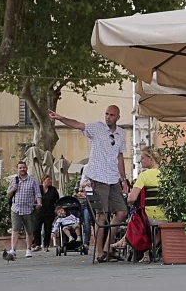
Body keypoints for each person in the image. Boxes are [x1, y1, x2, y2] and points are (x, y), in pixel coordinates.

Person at [50, 105, 128, 263]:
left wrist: (123, 179)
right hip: (98, 176)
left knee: (121, 212)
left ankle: (108, 247)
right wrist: (61, 118)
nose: (108, 117)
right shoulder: (97, 128)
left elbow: (120, 157)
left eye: (112, 115)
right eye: (106, 114)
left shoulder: (121, 133)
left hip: (113, 178)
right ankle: (100, 252)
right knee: (102, 215)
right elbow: (78, 124)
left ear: (118, 117)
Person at [112, 147, 165, 263]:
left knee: (137, 217)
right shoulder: (167, 174)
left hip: (151, 218)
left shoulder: (144, 176)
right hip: (167, 216)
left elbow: (131, 199)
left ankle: (143, 250)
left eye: (142, 158)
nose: (140, 161)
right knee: (140, 217)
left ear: (150, 159)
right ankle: (147, 249)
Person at [6, 161, 42, 259]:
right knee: (15, 229)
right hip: (16, 208)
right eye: (20, 168)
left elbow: (37, 193)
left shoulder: (33, 180)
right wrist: (13, 189)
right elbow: (8, 193)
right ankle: (13, 249)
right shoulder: (14, 180)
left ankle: (28, 249)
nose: (22, 169)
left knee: (29, 230)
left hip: (28, 209)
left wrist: (39, 203)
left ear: (26, 168)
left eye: (24, 167)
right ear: (18, 169)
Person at [33, 175, 59, 252]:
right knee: (37, 228)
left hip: (49, 212)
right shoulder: (38, 189)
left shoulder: (53, 190)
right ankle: (38, 245)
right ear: (43, 180)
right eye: (48, 179)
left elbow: (57, 200)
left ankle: (46, 245)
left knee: (48, 229)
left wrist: (56, 209)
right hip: (39, 212)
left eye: (50, 180)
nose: (50, 181)